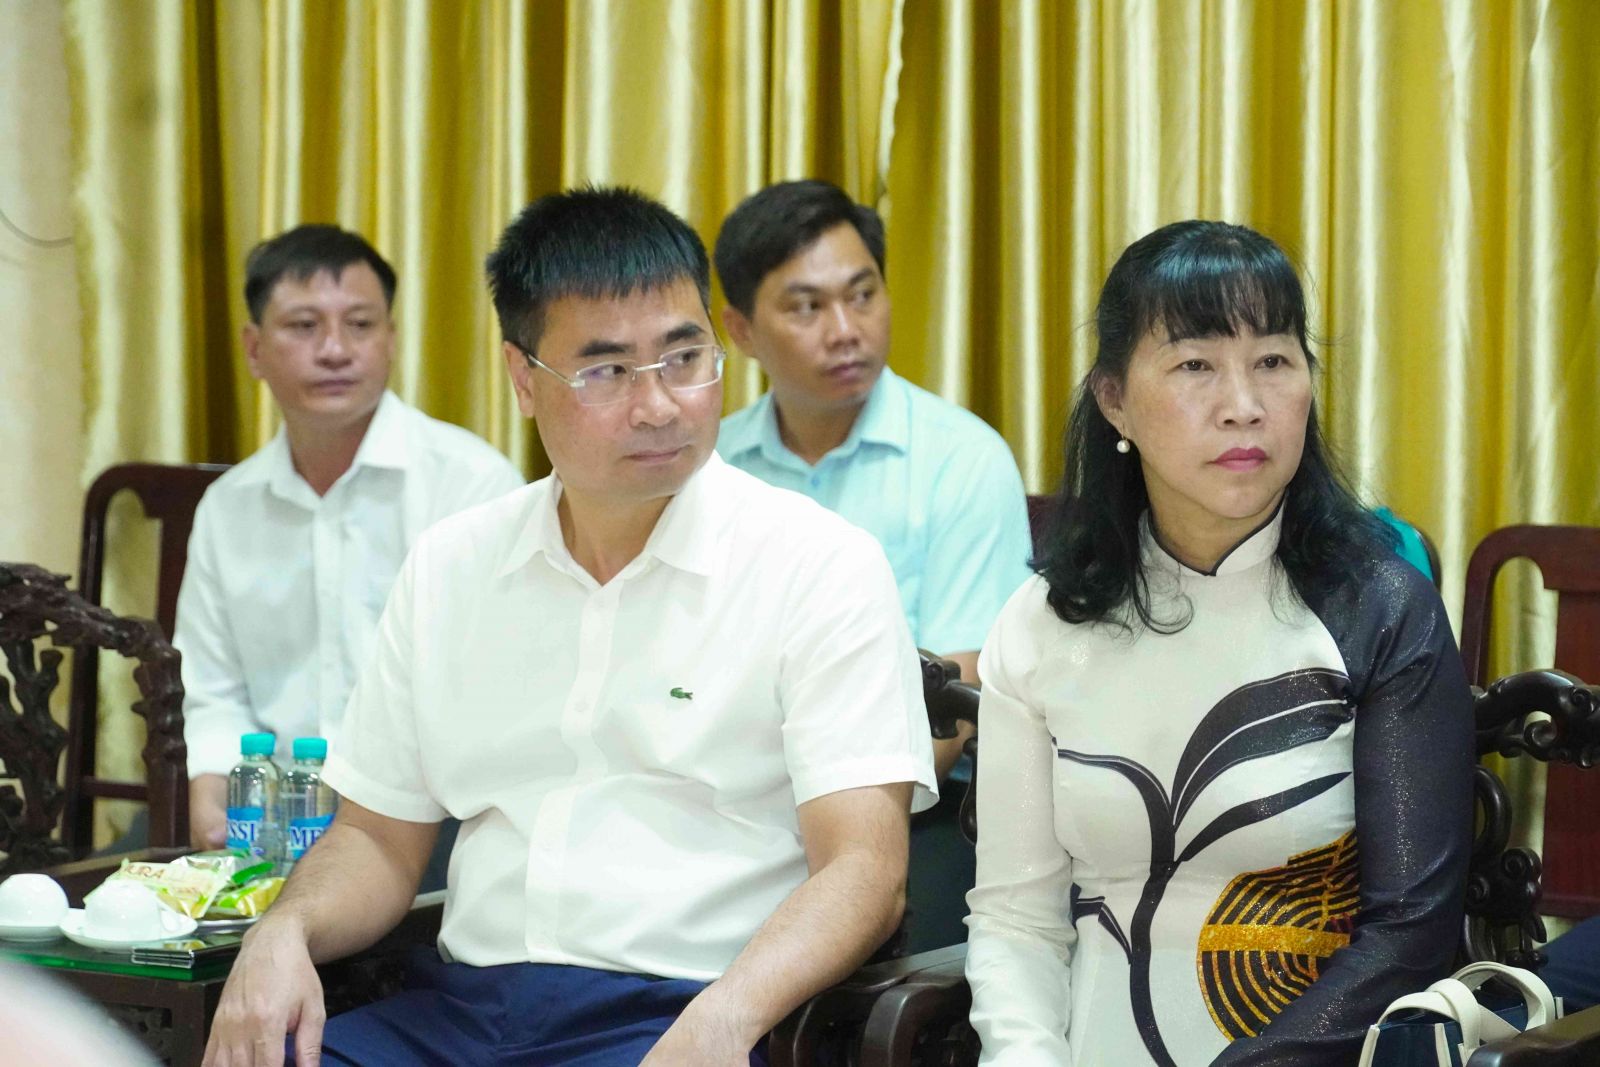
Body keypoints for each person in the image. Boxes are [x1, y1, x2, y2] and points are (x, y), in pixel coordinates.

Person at [201, 187, 937, 1067]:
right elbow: (376, 839)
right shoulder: (452, 566)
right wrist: (283, 929)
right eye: (606, 371)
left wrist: (724, 1019)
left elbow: (866, 869)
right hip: (460, 1012)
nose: (659, 404)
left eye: (684, 357)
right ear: (523, 378)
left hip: (685, 1010)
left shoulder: (819, 565)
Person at [964, 220, 1474, 1065]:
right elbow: (1018, 917)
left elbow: (1410, 931)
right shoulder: (1044, 621)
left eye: (1273, 360)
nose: (1243, 403)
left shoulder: (1381, 609)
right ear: (1113, 399)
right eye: (1196, 365)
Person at [714, 179, 1031, 950]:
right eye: (806, 307)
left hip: (914, 810)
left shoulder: (961, 459)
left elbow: (959, 688)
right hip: (729, 811)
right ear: (741, 330)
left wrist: (840, 826)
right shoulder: (710, 467)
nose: (845, 330)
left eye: (863, 295)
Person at [176, 225, 524, 860]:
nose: (335, 350)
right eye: (304, 326)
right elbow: (213, 688)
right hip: (271, 814)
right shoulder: (228, 508)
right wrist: (213, 784)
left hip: (431, 821)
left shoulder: (471, 483)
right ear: (254, 349)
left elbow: (494, 689)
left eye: (360, 325)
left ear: (391, 339)